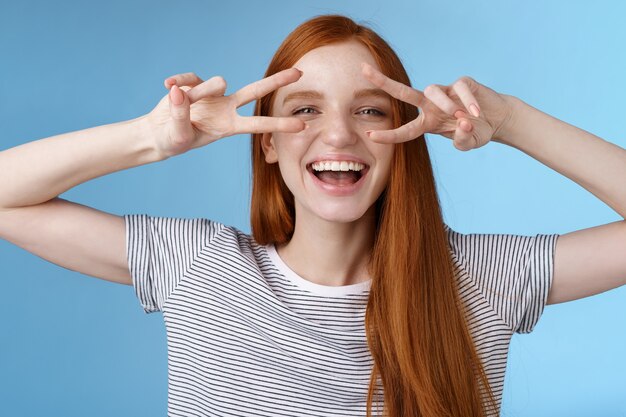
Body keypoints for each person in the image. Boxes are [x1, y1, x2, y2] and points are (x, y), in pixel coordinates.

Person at [0, 14, 624, 417]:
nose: (338, 136)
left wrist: (511, 121)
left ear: (404, 133)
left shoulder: (481, 278)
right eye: (303, 110)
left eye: (371, 111)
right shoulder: (198, 266)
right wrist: (153, 137)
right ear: (266, 141)